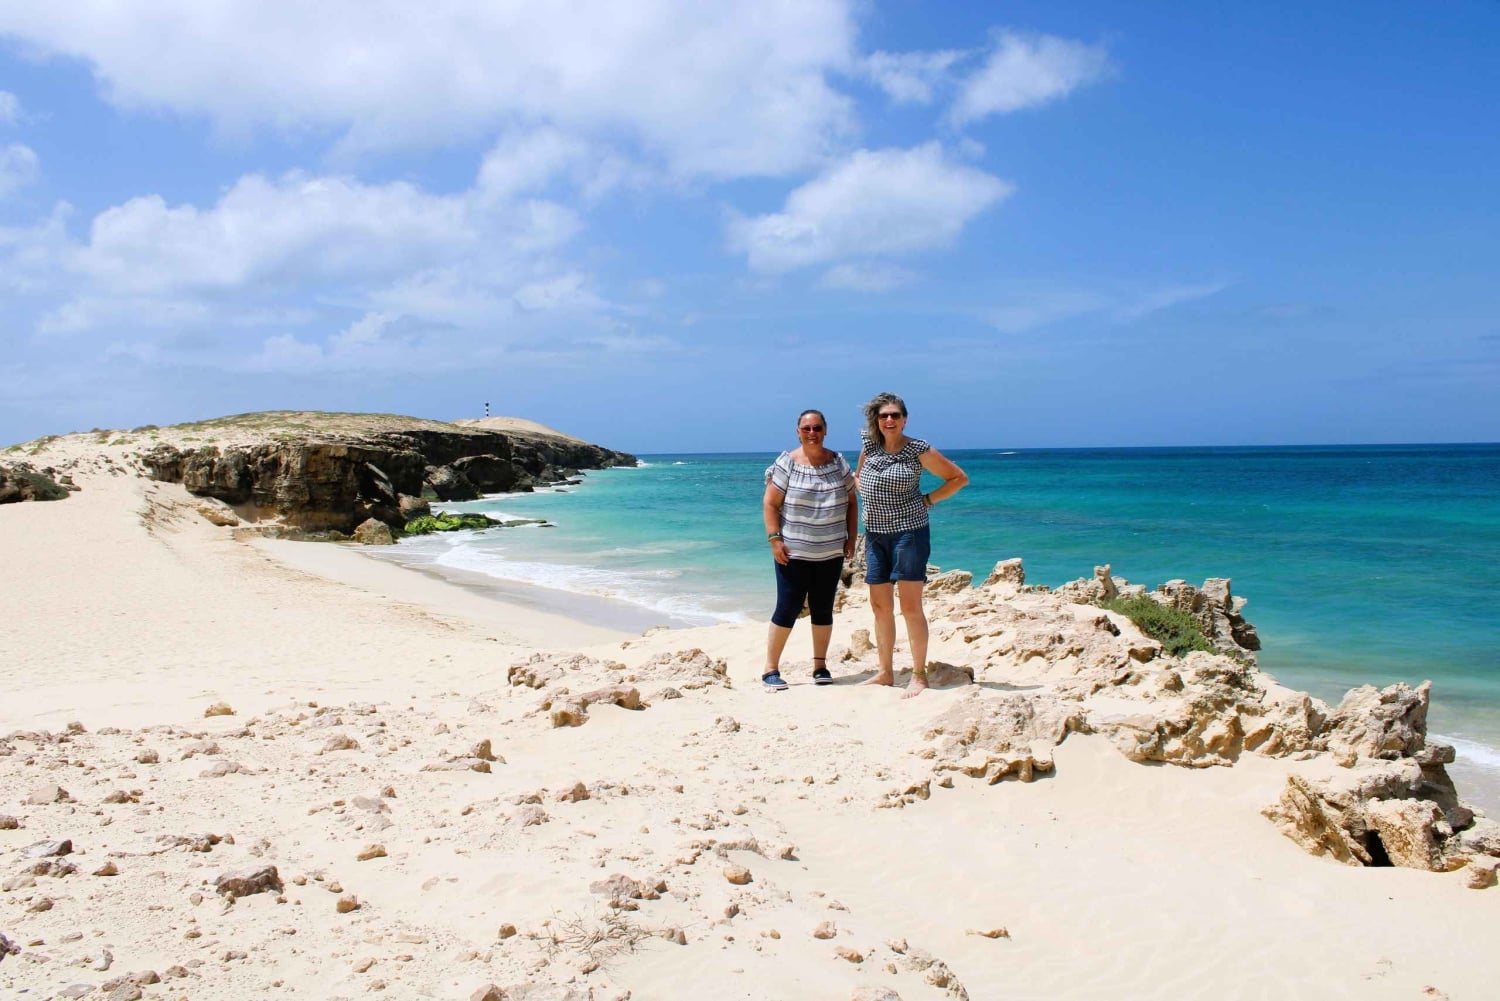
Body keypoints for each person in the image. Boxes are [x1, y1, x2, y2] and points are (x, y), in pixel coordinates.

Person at [855, 392, 968, 698]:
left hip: (909, 534)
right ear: (876, 420)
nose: (889, 420)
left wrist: (928, 499)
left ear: (904, 419)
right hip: (875, 536)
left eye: (895, 415)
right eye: (883, 416)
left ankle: (918, 675)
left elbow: (958, 478)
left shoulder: (917, 449)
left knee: (909, 606)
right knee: (880, 607)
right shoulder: (869, 445)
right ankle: (885, 673)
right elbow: (858, 478)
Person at [761, 409, 858, 691]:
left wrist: (852, 538)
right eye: (806, 429)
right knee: (787, 607)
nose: (812, 433)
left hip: (830, 553)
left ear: (825, 430)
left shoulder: (838, 462)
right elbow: (770, 504)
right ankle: (770, 669)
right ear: (798, 432)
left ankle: (820, 666)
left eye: (817, 428)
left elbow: (852, 502)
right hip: (793, 553)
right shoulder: (787, 463)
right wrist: (775, 540)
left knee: (823, 608)